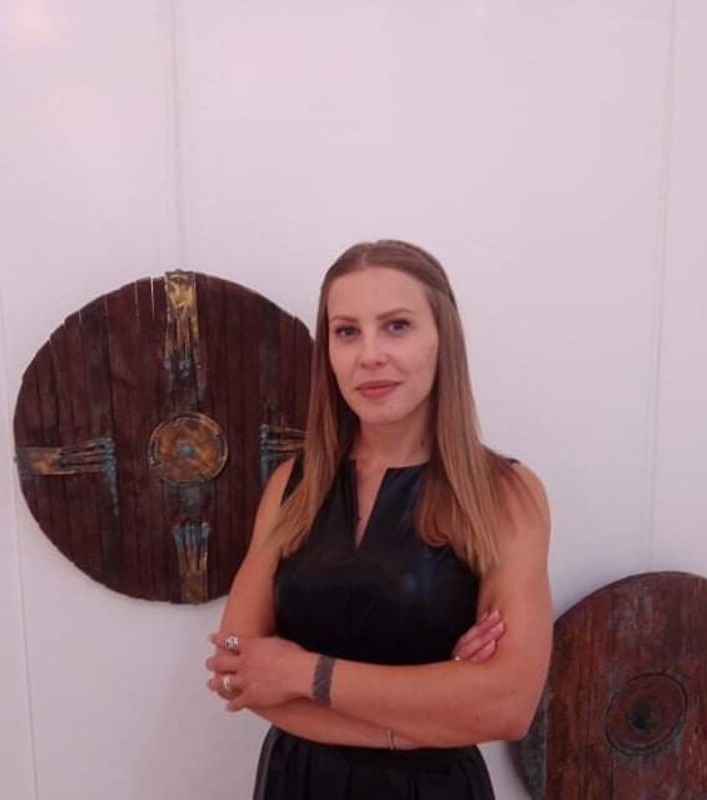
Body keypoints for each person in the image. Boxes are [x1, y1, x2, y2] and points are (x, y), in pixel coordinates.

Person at [205, 240, 552, 798]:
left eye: (396, 326)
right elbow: (236, 671)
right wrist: (422, 715)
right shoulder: (292, 486)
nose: (370, 355)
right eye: (347, 331)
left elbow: (507, 705)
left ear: (443, 338)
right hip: (298, 785)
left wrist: (301, 674)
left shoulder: (505, 495)